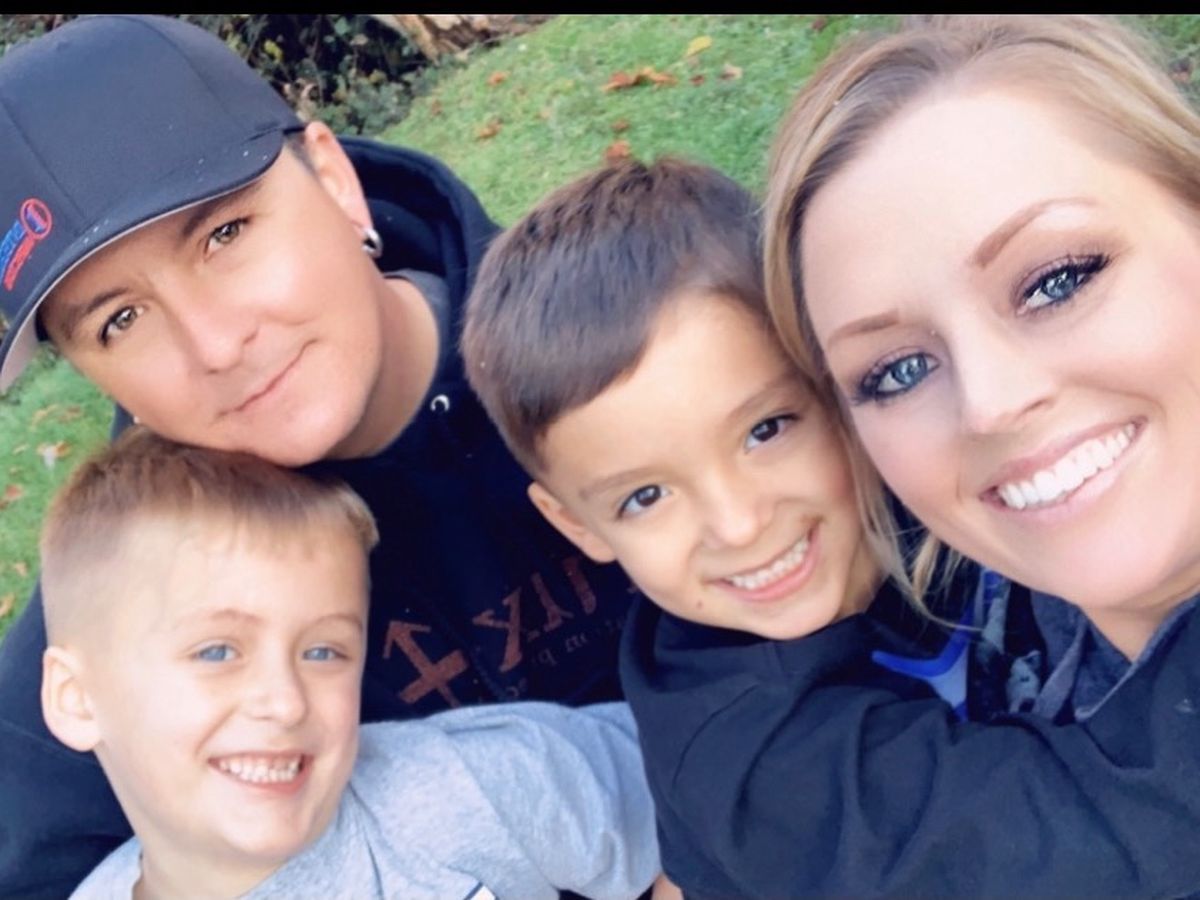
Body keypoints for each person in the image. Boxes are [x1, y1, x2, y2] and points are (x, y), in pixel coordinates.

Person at [0, 15, 637, 897]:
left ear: (336, 182)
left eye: (225, 235)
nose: (215, 343)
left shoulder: (628, 353)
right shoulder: (118, 630)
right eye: (121, 320)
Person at [462, 153, 1200, 898]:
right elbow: (1100, 846)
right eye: (646, 496)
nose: (738, 524)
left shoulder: (920, 490)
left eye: (766, 430)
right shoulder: (748, 757)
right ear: (576, 525)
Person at [39, 427, 659, 900]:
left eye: (323, 651)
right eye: (218, 651)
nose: (286, 702)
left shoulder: (462, 792)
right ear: (76, 698)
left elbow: (695, 787)